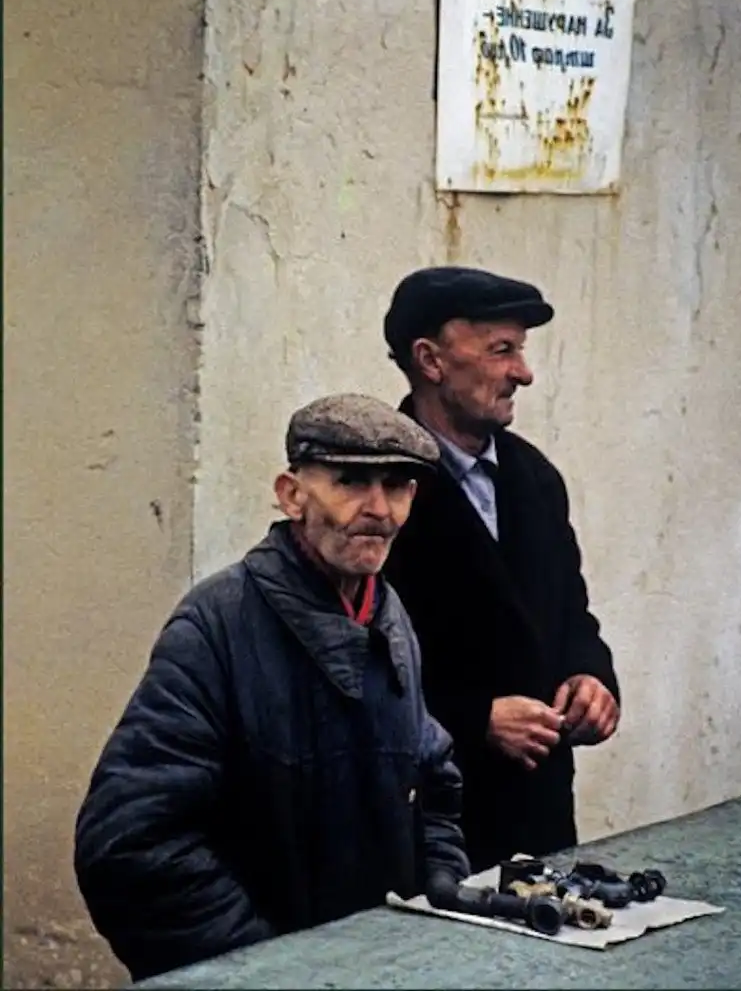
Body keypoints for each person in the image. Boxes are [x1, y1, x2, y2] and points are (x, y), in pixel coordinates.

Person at [74, 394, 469, 982]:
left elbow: (433, 775)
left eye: (397, 485)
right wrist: (266, 967)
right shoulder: (216, 626)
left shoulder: (388, 617)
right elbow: (130, 846)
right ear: (291, 495)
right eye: (350, 482)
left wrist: (439, 884)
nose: (378, 509)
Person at [381, 266, 621, 873]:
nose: (524, 372)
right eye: (502, 350)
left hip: (539, 819)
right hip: (429, 827)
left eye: (521, 350)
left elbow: (570, 615)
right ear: (430, 360)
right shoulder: (377, 488)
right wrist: (474, 720)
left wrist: (591, 678)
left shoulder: (535, 478)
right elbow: (355, 667)